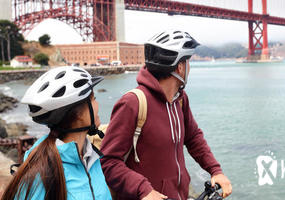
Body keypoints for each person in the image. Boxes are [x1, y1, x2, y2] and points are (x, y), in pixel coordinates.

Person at [101, 30, 232, 200]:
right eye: (188, 63)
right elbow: (108, 161)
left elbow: (193, 138)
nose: (188, 68)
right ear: (180, 67)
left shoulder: (180, 99)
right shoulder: (133, 103)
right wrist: (143, 189)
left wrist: (215, 170)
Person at [1, 66, 112, 200]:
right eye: (93, 98)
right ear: (77, 114)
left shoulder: (91, 156)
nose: (97, 104)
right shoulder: (42, 173)